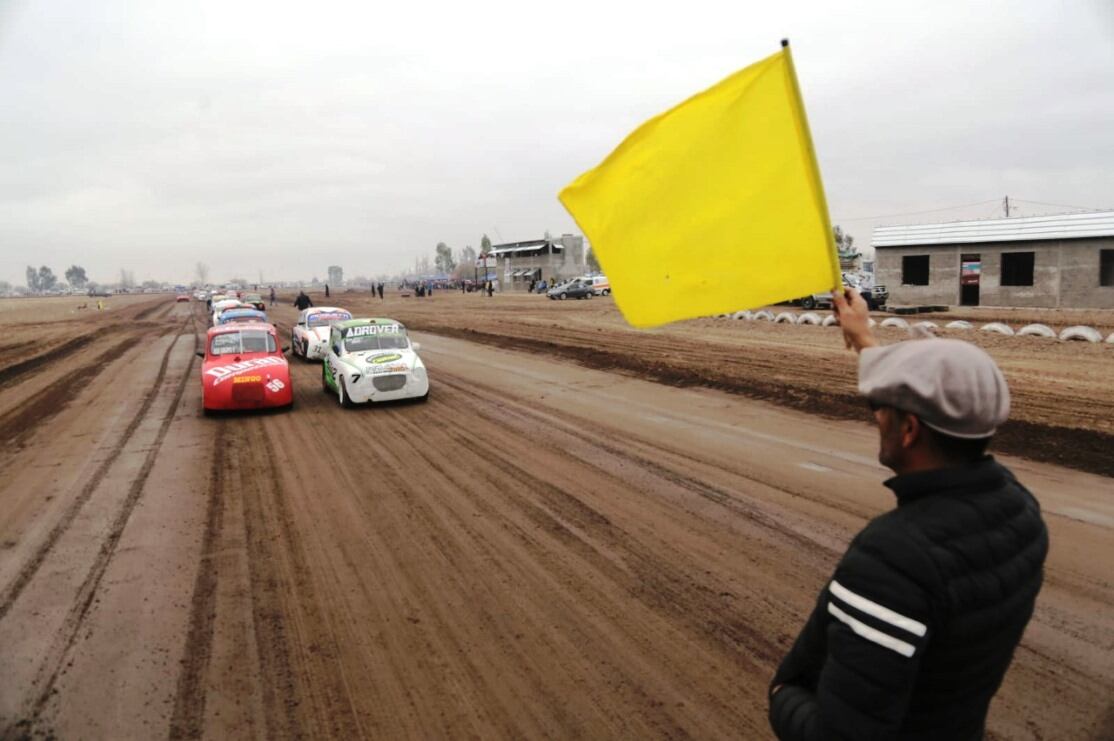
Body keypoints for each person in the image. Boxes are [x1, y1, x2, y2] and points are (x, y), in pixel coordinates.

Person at [768, 287, 1048, 741]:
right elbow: (929, 393)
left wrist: (783, 697)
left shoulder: (893, 559)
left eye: (882, 409)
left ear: (911, 429)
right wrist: (862, 336)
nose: (876, 416)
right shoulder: (1020, 510)